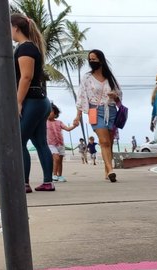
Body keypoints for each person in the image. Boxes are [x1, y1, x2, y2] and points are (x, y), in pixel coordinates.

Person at [11, 14, 54, 192]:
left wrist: (18, 102)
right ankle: (47, 182)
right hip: (40, 101)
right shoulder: (29, 47)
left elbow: (26, 77)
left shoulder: (26, 49)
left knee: (19, 142)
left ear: (16, 28)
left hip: (32, 101)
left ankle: (24, 183)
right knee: (40, 143)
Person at [73, 49, 122, 182]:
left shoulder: (111, 78)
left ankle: (107, 170)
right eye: (90, 59)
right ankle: (111, 170)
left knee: (110, 142)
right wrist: (78, 116)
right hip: (95, 110)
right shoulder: (87, 78)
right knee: (104, 141)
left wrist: (114, 95)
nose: (91, 61)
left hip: (111, 110)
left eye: (94, 58)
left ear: (101, 60)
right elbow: (82, 97)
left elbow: (119, 97)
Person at [46, 104, 78, 182]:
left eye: (51, 111)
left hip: (60, 144)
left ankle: (60, 176)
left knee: (60, 161)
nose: (48, 113)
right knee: (56, 158)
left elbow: (68, 129)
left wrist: (74, 126)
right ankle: (54, 175)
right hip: (51, 144)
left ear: (55, 113)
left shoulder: (59, 122)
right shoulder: (44, 122)